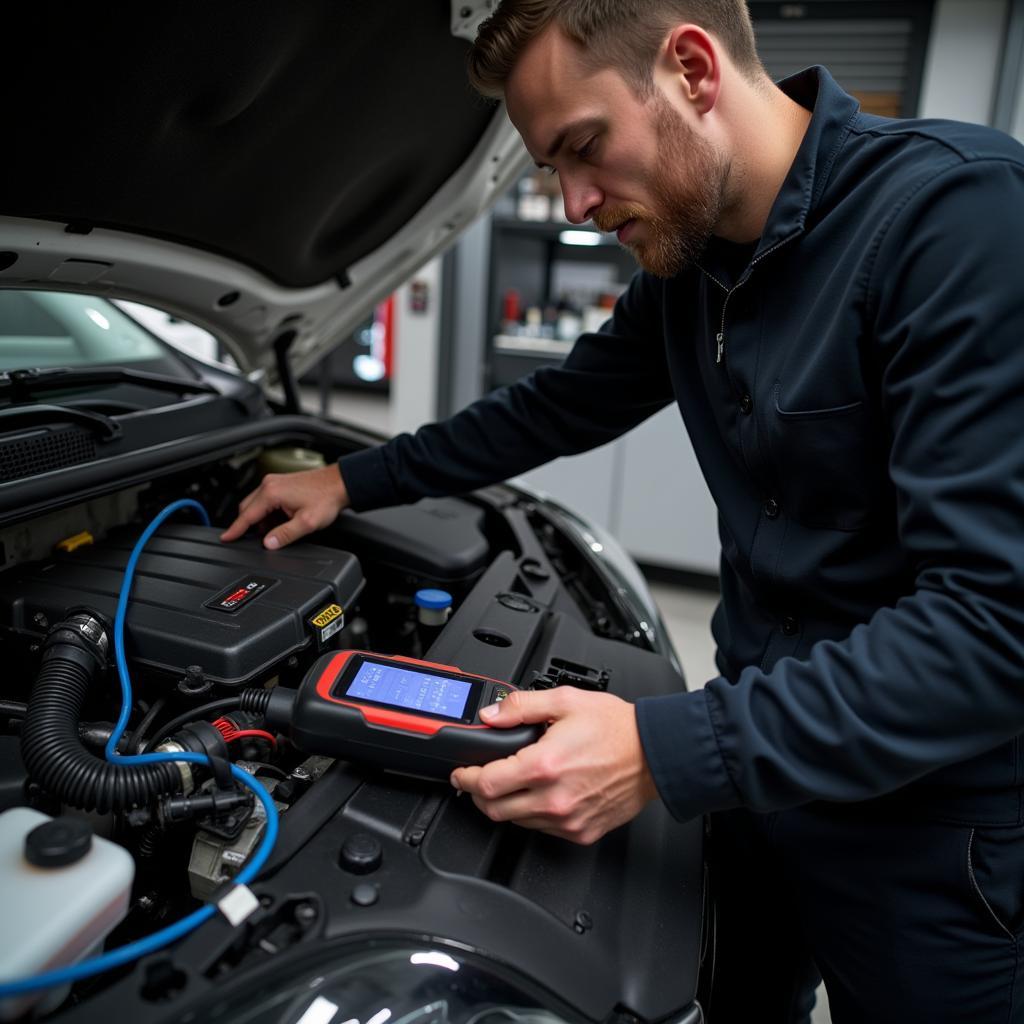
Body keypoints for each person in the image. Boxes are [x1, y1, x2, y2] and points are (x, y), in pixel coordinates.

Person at [221, 1, 1024, 1019]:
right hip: (753, 781)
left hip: (926, 836)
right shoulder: (694, 264)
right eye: (551, 168)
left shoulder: (956, 221)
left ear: (691, 68)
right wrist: (352, 480)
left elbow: (995, 629)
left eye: (583, 146)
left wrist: (665, 748)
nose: (573, 203)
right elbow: (551, 406)